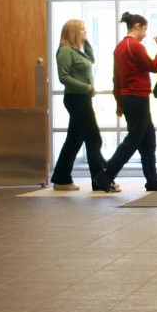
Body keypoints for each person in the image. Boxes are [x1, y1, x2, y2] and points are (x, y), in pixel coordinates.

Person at [102, 11, 157, 192]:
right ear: (137, 26)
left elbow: (116, 78)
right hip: (138, 97)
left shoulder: (119, 47)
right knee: (134, 139)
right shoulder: (135, 46)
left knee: (148, 138)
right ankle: (105, 175)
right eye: (145, 29)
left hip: (127, 97)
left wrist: (119, 102)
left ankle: (152, 180)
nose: (145, 33)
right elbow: (154, 67)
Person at [50, 19, 119, 193]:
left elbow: (91, 58)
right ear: (73, 32)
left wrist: (85, 40)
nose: (85, 32)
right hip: (76, 99)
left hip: (82, 99)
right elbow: (63, 77)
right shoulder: (65, 52)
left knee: (74, 140)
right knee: (93, 137)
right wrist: (87, 87)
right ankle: (101, 179)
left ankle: (61, 178)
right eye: (82, 30)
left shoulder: (77, 52)